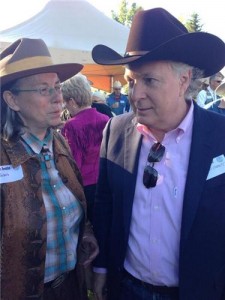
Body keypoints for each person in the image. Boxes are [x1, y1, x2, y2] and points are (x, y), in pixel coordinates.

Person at [91, 8, 225, 300]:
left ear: (184, 80)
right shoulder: (115, 130)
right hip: (126, 288)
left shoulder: (220, 136)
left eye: (149, 80)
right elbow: (106, 205)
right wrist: (101, 268)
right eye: (131, 81)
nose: (136, 94)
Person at [0, 38, 99, 300]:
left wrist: (84, 231)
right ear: (12, 100)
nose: (59, 98)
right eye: (44, 90)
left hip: (70, 288)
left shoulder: (59, 144)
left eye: (58, 87)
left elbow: (71, 202)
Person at [61, 74, 110, 223]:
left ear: (72, 101)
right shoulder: (106, 119)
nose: (65, 107)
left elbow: (73, 163)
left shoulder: (71, 125)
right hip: (104, 182)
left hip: (84, 186)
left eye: (66, 102)